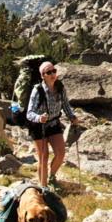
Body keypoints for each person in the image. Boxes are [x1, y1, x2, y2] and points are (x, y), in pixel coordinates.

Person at [26, 61, 78, 189]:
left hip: (54, 123)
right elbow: (29, 113)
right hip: (38, 126)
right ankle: (43, 187)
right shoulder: (37, 90)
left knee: (60, 153)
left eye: (54, 71)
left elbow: (66, 104)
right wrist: (39, 118)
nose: (52, 74)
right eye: (48, 72)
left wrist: (72, 117)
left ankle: (52, 177)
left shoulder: (60, 87)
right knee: (43, 157)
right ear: (43, 75)